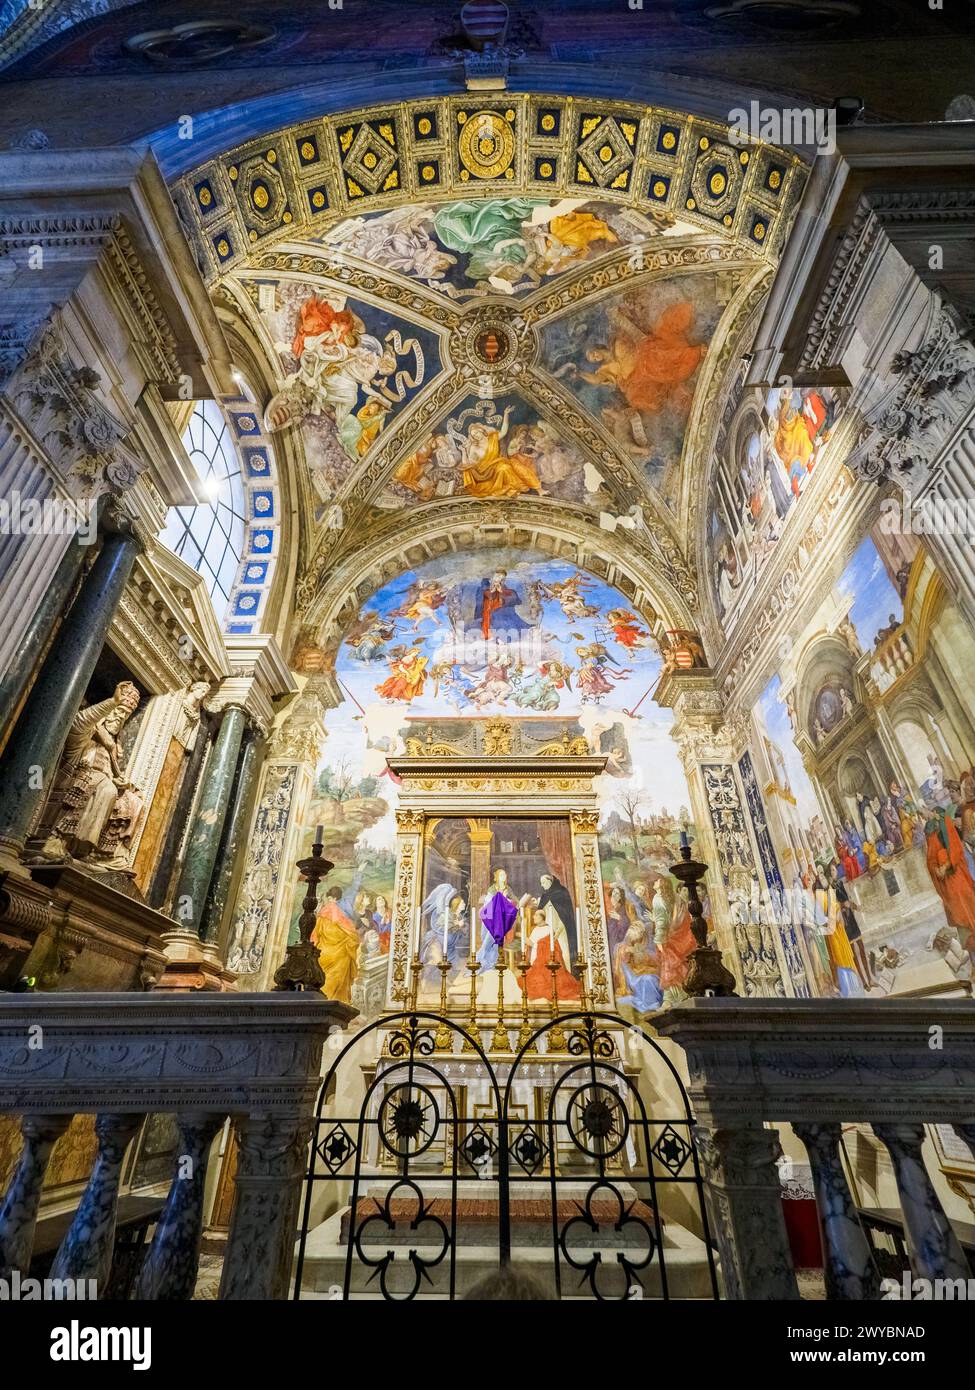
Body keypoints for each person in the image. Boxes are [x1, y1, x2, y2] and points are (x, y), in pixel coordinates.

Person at [313, 884, 361, 1004]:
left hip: (324, 953)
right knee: (337, 981)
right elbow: (352, 933)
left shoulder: (323, 913)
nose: (329, 901)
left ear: (333, 899)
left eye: (330, 898)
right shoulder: (340, 914)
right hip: (339, 954)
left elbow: (315, 934)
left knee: (324, 979)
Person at [524, 907, 580, 1003]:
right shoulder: (536, 929)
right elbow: (530, 943)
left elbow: (545, 945)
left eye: (536, 915)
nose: (534, 917)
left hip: (544, 961)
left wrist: (526, 936)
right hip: (535, 957)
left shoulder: (548, 929)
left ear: (542, 917)